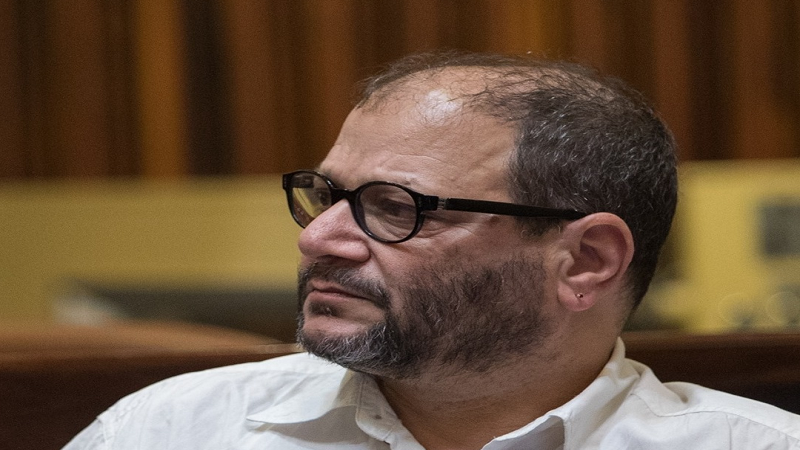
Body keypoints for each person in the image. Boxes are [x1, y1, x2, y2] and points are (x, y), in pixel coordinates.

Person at [64, 51, 800, 450]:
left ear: (586, 261)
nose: (317, 238)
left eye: (396, 207)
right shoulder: (169, 431)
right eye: (326, 195)